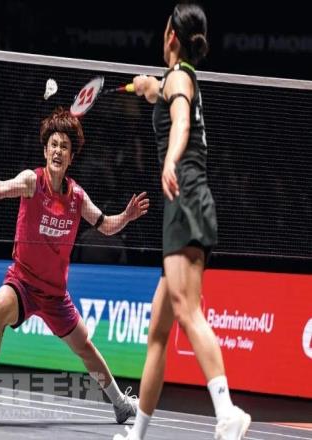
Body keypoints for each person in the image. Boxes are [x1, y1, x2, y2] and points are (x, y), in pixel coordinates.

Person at [0, 107, 149, 423]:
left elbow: (106, 225)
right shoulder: (32, 182)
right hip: (23, 283)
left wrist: (126, 216)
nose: (57, 151)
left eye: (64, 147)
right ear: (45, 150)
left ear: (71, 157)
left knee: (85, 347)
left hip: (55, 294)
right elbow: (0, 188)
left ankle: (121, 404)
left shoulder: (77, 197)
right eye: (53, 144)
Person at [113, 4, 251, 440]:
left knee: (189, 311)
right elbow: (165, 92)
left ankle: (227, 412)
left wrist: (171, 160)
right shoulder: (177, 78)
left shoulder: (179, 78)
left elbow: (180, 122)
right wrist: (146, 86)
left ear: (171, 34)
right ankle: (137, 434)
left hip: (184, 195)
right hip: (190, 200)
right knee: (158, 331)